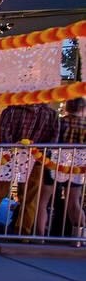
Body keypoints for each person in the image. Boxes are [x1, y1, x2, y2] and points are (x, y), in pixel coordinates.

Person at [0, 103, 59, 235]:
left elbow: (4, 138)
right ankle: (23, 233)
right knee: (30, 198)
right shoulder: (51, 115)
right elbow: (52, 143)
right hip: (36, 160)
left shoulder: (10, 111)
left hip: (7, 159)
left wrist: (15, 149)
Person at [57, 97, 86, 238]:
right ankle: (79, 234)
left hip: (58, 164)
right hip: (78, 167)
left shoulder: (60, 122)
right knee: (74, 202)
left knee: (43, 200)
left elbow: (54, 141)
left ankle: (40, 235)